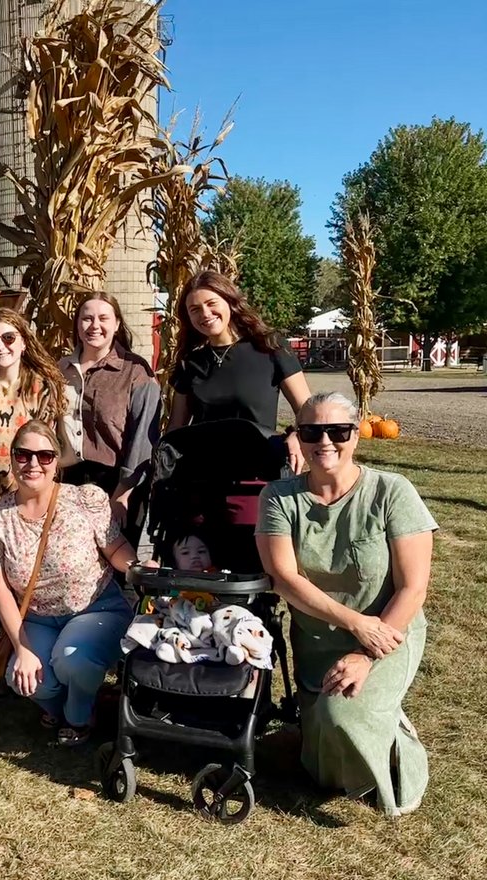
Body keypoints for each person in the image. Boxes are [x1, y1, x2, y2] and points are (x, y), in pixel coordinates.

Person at [256, 392, 436, 816]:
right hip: (319, 641)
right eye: (311, 432)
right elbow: (284, 579)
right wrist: (355, 623)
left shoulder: (392, 491)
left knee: (342, 716)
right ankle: (362, 726)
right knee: (320, 770)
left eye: (337, 431)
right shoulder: (279, 498)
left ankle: (400, 757)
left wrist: (367, 652)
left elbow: (413, 589)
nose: (325, 442)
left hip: (389, 633)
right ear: (298, 437)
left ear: (355, 435)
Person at [0, 421, 138, 745]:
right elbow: (0, 590)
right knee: (23, 677)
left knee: (72, 659)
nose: (33, 464)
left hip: (96, 608)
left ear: (56, 461)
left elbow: (114, 547)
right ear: (13, 458)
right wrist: (22, 648)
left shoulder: (84, 499)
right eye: (24, 455)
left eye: (44, 456)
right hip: (38, 617)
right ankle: (65, 704)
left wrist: (138, 567)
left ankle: (77, 718)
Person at [168, 271, 311, 473]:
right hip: (204, 475)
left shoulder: (270, 347)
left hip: (261, 473)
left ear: (230, 301)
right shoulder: (189, 363)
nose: (205, 314)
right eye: (195, 309)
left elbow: (308, 410)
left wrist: (296, 435)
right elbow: (176, 428)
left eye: (211, 303)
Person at [58, 292, 160, 546]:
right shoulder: (60, 370)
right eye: (87, 318)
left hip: (117, 483)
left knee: (117, 561)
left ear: (116, 324)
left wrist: (122, 493)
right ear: (77, 324)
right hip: (67, 483)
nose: (95, 325)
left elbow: (143, 439)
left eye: (103, 318)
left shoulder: (136, 372)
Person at [0, 307, 68, 505]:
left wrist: (21, 498)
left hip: (31, 495)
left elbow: (46, 450)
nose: (0, 347)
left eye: (8, 338)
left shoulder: (42, 388)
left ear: (23, 342)